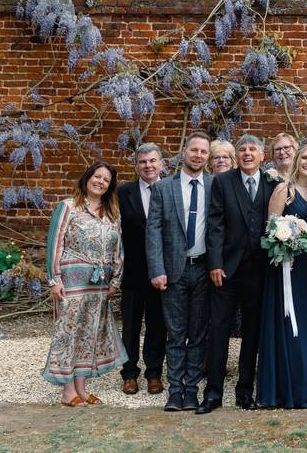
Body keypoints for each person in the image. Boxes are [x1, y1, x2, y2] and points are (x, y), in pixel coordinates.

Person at [201, 134, 278, 414]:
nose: (247, 154)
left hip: (259, 272)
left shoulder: (273, 184)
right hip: (227, 270)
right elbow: (215, 224)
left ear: (261, 155)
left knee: (252, 333)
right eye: (242, 149)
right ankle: (212, 394)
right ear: (238, 155)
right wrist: (215, 263)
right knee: (219, 331)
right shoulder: (223, 181)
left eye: (252, 149)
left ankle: (245, 392)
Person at [43, 161, 127, 406]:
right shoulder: (68, 207)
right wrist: (54, 279)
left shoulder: (112, 213)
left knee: (90, 335)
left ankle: (81, 386)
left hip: (99, 284)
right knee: (68, 334)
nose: (100, 182)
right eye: (96, 176)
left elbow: (118, 249)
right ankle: (68, 391)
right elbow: (54, 244)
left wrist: (116, 280)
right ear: (87, 178)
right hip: (70, 281)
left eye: (106, 180)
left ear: (110, 187)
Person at [257, 145, 307, 409]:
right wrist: (287, 247)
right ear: (297, 160)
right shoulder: (283, 190)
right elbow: (270, 228)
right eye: (305, 158)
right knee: (289, 323)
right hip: (286, 268)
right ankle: (288, 387)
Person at [145, 132, 213, 412]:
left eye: (203, 152)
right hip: (173, 271)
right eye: (194, 150)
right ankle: (175, 391)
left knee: (197, 334)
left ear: (207, 157)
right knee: (175, 333)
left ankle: (191, 390)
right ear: (184, 152)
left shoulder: (214, 185)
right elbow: (154, 231)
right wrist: (157, 269)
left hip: (204, 269)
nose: (198, 155)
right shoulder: (164, 188)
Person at [118, 143, 166, 396]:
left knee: (158, 325)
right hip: (132, 272)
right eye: (143, 162)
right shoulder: (123, 192)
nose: (148, 165)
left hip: (161, 271)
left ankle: (154, 373)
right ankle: (129, 373)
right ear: (136, 165)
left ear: (161, 163)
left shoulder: (170, 189)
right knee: (131, 326)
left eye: (152, 161)